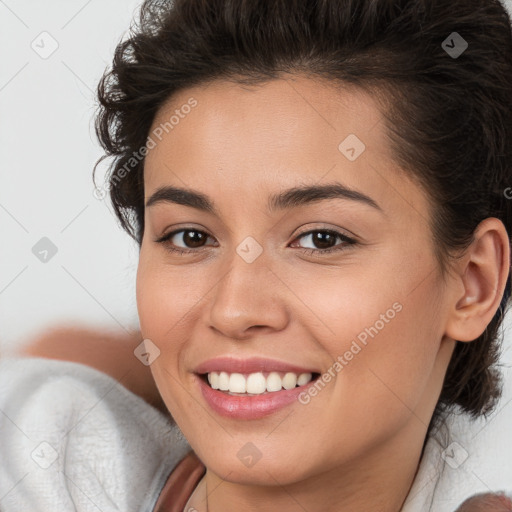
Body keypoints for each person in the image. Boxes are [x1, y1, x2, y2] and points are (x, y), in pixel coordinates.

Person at [1, 0, 512, 510]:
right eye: (191, 238)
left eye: (321, 239)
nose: (234, 310)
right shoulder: (34, 462)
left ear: (474, 283)